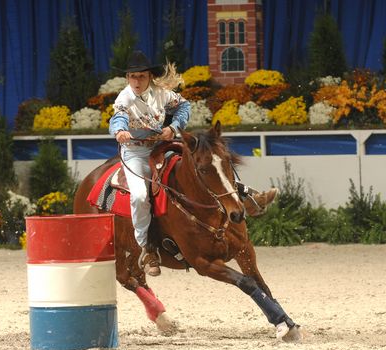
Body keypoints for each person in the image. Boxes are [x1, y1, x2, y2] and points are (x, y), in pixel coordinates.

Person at [109, 50, 277, 277]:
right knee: (139, 195)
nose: (136, 81)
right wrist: (119, 131)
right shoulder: (124, 98)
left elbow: (184, 107)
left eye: (140, 76)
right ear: (127, 79)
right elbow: (118, 117)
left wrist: (173, 127)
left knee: (211, 164)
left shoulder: (162, 94)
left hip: (161, 147)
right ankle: (146, 248)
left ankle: (246, 197)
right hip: (136, 153)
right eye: (132, 76)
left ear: (149, 77)